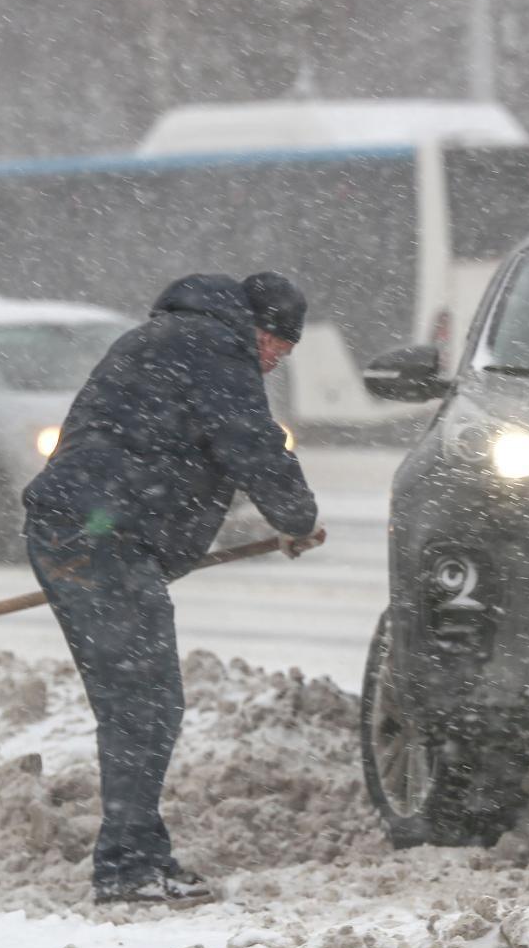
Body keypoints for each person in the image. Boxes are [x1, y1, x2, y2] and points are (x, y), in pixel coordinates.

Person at [22, 272, 324, 906]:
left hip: (82, 532)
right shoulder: (216, 347)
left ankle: (139, 852)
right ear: (259, 327)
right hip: (100, 538)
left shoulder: (168, 337)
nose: (273, 362)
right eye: (277, 347)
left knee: (137, 706)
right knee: (144, 706)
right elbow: (251, 444)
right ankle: (127, 868)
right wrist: (295, 516)